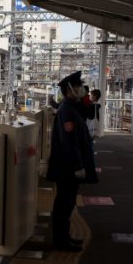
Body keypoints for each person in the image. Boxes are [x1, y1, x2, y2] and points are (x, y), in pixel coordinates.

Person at [46, 71, 98, 252]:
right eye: (77, 87)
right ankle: (60, 240)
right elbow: (69, 141)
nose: (81, 90)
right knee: (64, 203)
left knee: (67, 203)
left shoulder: (72, 107)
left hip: (67, 168)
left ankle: (64, 237)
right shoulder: (67, 111)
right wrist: (78, 166)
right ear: (69, 90)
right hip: (67, 168)